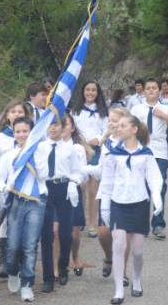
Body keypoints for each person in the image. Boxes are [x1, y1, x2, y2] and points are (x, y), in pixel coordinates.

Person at [100, 115, 163, 304]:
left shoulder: (146, 153)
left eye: (122, 125)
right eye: (117, 126)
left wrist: (157, 197)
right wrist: (105, 206)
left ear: (134, 129)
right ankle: (118, 289)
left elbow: (154, 177)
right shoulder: (113, 153)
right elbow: (107, 181)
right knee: (118, 244)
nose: (118, 129)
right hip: (119, 204)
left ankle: (136, 278)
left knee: (137, 251)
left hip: (139, 204)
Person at [0, 116, 50, 302]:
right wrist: (5, 188)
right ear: (13, 132)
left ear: (32, 132)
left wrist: (35, 155)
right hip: (16, 201)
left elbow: (44, 175)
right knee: (13, 245)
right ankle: (13, 271)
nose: (21, 134)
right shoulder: (9, 156)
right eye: (18, 131)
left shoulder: (40, 150)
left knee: (30, 245)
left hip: (36, 201)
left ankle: (27, 284)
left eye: (25, 131)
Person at [130, 78, 168, 240]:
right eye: (148, 88)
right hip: (140, 152)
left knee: (159, 187)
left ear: (159, 91)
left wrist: (165, 116)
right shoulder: (137, 108)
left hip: (159, 153)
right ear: (144, 91)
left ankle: (158, 224)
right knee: (140, 187)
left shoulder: (165, 108)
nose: (151, 90)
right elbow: (126, 127)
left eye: (154, 88)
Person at [87, 107, 131, 286]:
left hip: (126, 195)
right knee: (104, 233)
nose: (112, 124)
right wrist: (81, 170)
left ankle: (123, 272)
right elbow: (100, 170)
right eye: (110, 121)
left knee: (122, 235)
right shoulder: (106, 144)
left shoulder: (132, 142)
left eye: (115, 121)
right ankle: (109, 257)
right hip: (107, 193)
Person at [40, 119, 84, 293]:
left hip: (64, 188)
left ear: (63, 128)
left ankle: (63, 265)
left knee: (66, 234)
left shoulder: (70, 148)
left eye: (57, 125)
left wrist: (74, 182)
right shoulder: (40, 147)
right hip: (45, 188)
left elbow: (77, 171)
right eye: (50, 125)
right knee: (47, 235)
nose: (53, 128)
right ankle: (48, 277)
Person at [0, 99, 29, 278]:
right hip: (5, 188)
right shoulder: (0, 137)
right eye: (13, 111)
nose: (16, 114)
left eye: (20, 112)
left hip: (26, 188)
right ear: (6, 115)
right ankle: (4, 261)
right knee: (6, 221)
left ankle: (21, 260)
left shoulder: (31, 137)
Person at [71, 80, 108, 238]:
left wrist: (99, 139)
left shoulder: (103, 112)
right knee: (81, 186)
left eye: (94, 90)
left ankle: (93, 223)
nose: (90, 93)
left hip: (96, 150)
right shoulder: (75, 111)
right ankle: (80, 220)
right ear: (83, 92)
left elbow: (108, 130)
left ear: (98, 93)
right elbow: (72, 129)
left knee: (94, 190)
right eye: (88, 89)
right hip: (79, 150)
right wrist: (81, 142)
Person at [62, 112, 92, 278]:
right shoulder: (48, 146)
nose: (62, 128)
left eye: (66, 125)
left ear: (72, 128)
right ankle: (60, 262)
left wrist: (75, 183)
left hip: (73, 191)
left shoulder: (78, 148)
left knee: (73, 233)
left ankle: (75, 256)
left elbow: (83, 173)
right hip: (56, 192)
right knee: (57, 231)